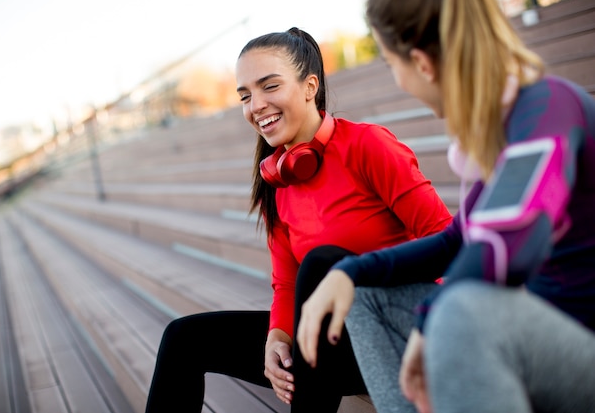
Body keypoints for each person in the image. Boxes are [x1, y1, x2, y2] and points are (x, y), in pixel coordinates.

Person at [296, 0, 595, 413]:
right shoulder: (496, 129)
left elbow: (509, 241)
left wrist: (429, 321)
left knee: (459, 309)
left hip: (580, 348)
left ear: (421, 63)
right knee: (363, 293)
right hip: (533, 336)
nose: (397, 79)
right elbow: (454, 242)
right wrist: (349, 271)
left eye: (390, 63)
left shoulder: (547, 109)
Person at [144, 27, 452, 413]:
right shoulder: (277, 177)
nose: (255, 105)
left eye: (269, 86)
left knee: (323, 264)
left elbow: (444, 238)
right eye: (245, 95)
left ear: (310, 86)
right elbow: (286, 282)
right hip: (324, 340)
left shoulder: (368, 146)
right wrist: (276, 337)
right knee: (184, 338)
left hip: (395, 327)